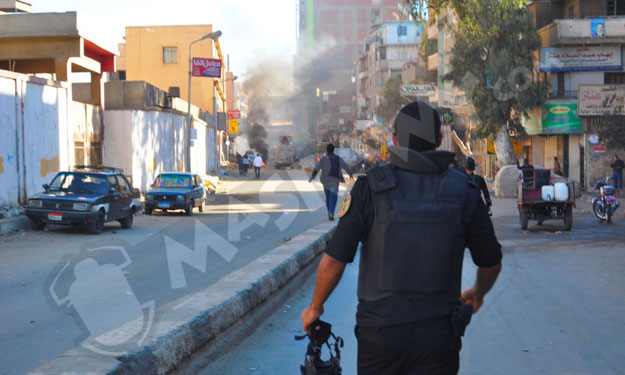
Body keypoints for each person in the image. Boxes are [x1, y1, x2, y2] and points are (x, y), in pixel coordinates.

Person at [301, 101, 502, 375]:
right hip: (439, 333)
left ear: (394, 139)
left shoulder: (370, 187)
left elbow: (335, 259)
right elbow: (490, 261)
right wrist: (477, 293)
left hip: (380, 335)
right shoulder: (464, 190)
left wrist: (315, 307)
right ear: (440, 139)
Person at [308, 143, 353, 221]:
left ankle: (330, 212)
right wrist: (350, 174)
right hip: (334, 181)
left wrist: (312, 177)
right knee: (333, 197)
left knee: (328, 197)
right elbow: (345, 166)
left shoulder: (323, 159)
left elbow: (317, 168)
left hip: (325, 181)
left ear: (327, 150)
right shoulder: (338, 158)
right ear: (333, 150)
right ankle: (331, 212)